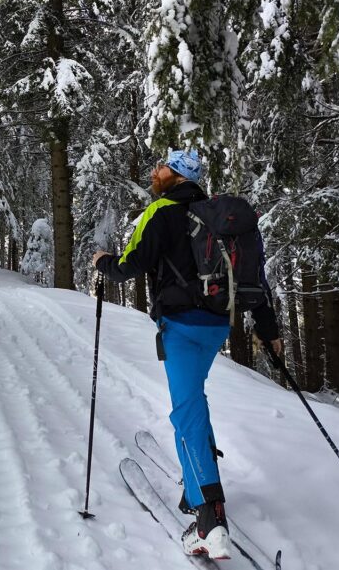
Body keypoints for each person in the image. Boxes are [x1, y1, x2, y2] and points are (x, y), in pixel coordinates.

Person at [92, 149, 282, 559]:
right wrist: (269, 331)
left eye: (161, 166)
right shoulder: (214, 218)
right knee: (193, 400)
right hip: (216, 326)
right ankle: (198, 482)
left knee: (186, 411)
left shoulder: (160, 211)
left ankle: (209, 519)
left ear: (175, 174)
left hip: (181, 326)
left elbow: (130, 265)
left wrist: (101, 262)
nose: (154, 171)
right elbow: (250, 274)